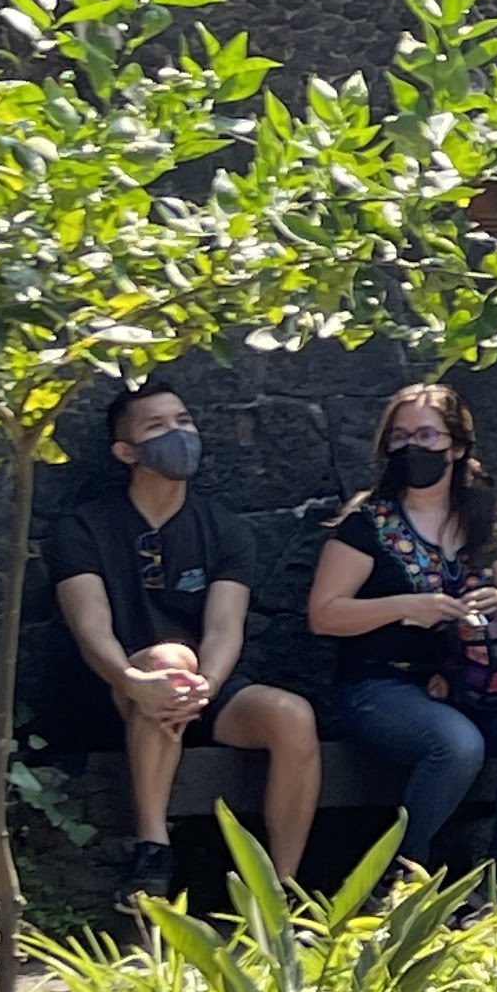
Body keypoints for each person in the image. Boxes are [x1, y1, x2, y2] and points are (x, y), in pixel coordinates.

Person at [42, 382, 322, 903]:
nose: (178, 434)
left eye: (184, 421)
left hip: (201, 690)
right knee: (170, 660)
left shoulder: (225, 529)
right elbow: (91, 629)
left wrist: (206, 686)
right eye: (157, 426)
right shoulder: (81, 528)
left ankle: (281, 891)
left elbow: (224, 627)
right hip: (116, 688)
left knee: (293, 716)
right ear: (126, 452)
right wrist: (134, 681)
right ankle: (153, 851)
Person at [306, 379, 497, 898]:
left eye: (426, 435)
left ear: (457, 446)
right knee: (457, 745)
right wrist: (406, 607)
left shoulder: (487, 517)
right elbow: (324, 615)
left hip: (475, 683)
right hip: (382, 687)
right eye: (400, 437)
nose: (411, 448)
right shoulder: (367, 524)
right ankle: (401, 876)